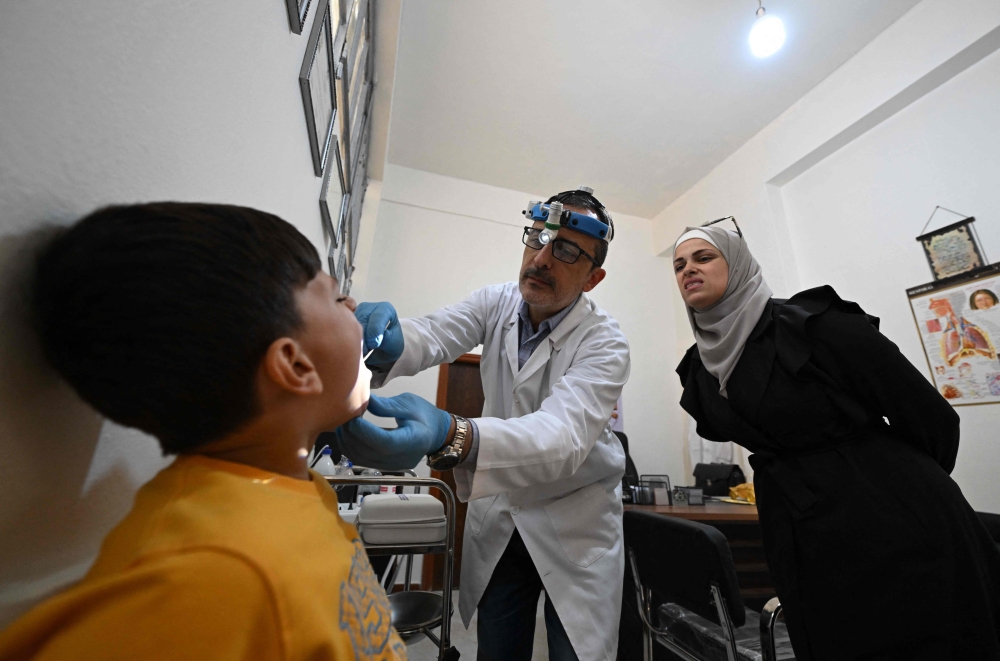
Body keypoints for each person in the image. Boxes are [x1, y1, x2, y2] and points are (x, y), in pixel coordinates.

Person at [0, 203, 406, 660]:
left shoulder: (290, 494)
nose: (354, 305)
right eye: (335, 297)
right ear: (294, 366)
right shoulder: (210, 577)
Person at [672, 223, 1000, 660]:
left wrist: (900, 488)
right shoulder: (699, 367)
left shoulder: (812, 324)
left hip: (891, 512)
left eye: (703, 257)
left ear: (738, 265)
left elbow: (929, 415)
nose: (688, 269)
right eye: (678, 265)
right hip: (797, 527)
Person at [336, 187, 630, 661]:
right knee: (497, 649)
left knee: (575, 651)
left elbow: (564, 437)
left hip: (575, 524)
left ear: (592, 278)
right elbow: (434, 332)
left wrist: (452, 435)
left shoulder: (605, 342)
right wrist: (386, 340)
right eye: (537, 236)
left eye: (567, 250)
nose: (541, 258)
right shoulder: (496, 303)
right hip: (502, 519)